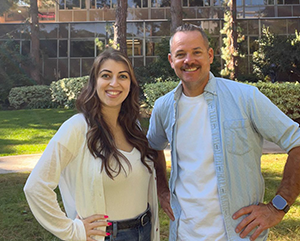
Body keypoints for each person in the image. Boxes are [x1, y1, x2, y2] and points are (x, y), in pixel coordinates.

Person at [147, 23, 300, 241]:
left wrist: (277, 207)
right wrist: (162, 190)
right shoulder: (164, 107)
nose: (188, 60)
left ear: (210, 55)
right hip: (182, 234)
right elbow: (153, 148)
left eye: (196, 52)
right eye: (181, 54)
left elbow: (297, 142)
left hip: (238, 235)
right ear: (172, 60)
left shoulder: (245, 97)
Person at [24, 48, 160, 241]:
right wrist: (72, 231)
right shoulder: (77, 128)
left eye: (123, 76)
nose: (114, 83)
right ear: (94, 82)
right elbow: (35, 187)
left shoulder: (133, 127)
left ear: (131, 84)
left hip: (144, 231)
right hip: (108, 236)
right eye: (106, 75)